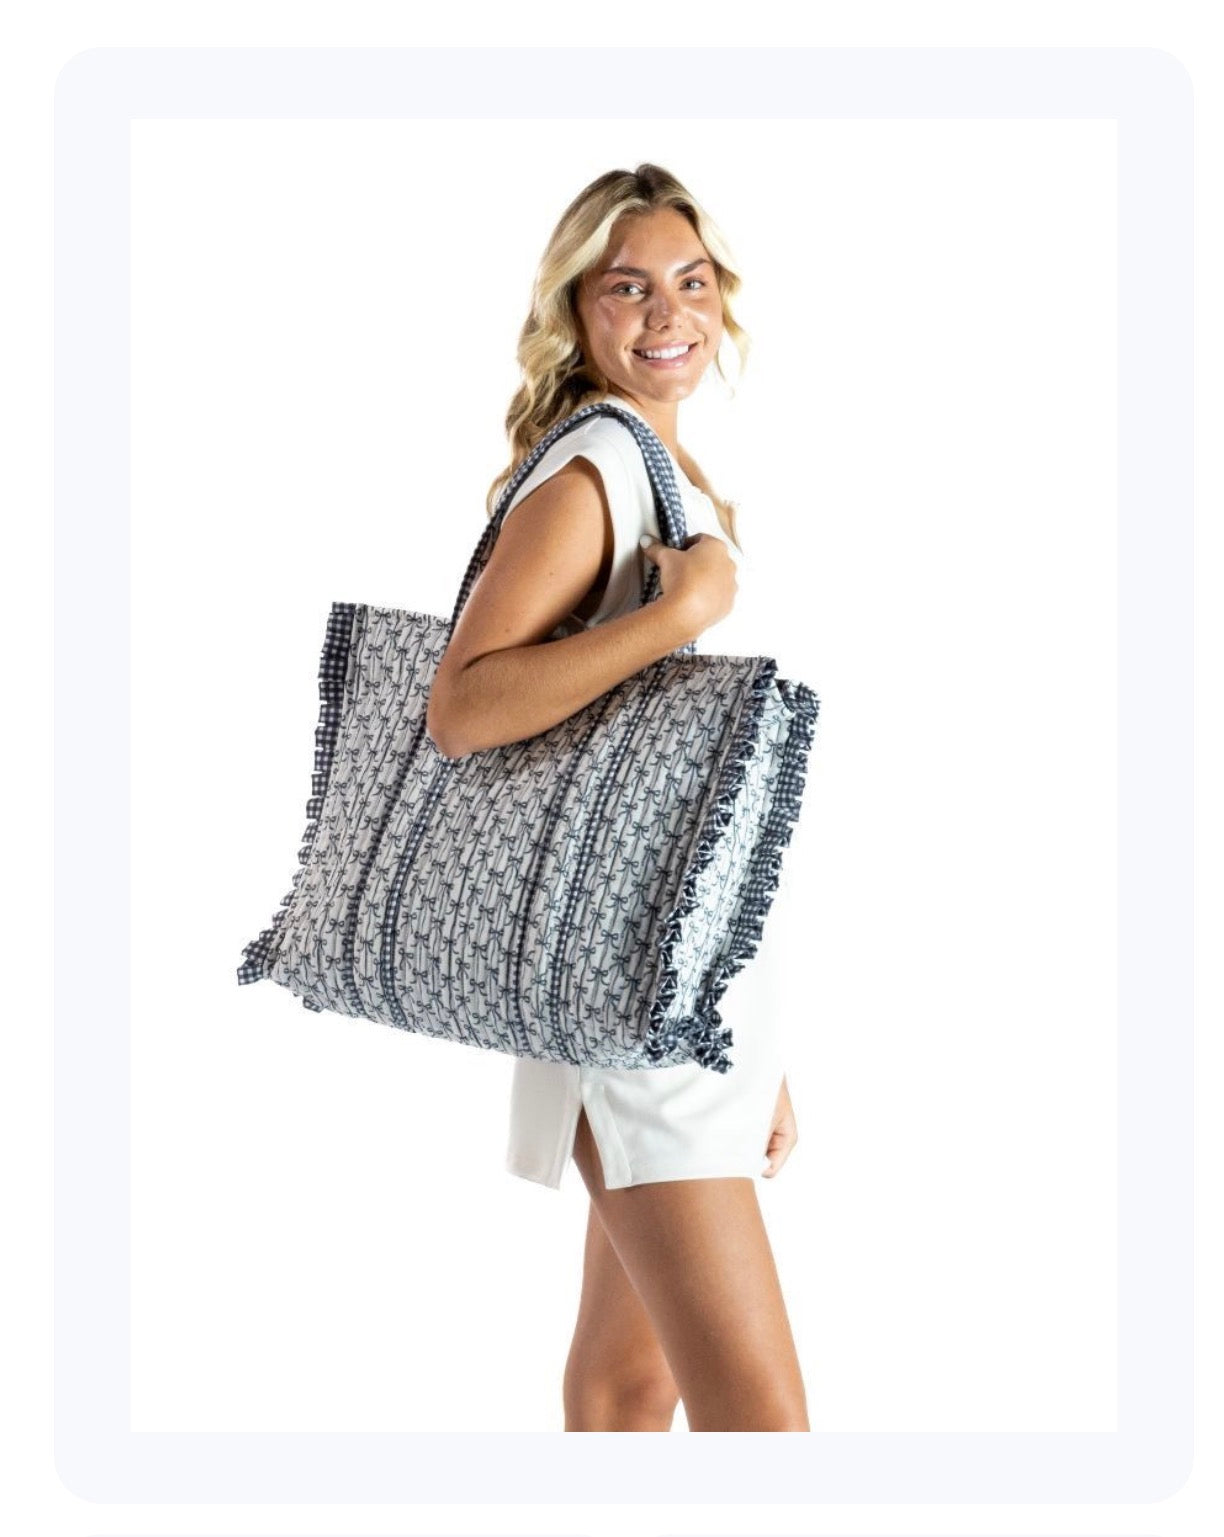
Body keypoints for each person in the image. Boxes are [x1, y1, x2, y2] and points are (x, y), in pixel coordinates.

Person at [426, 163, 808, 1433]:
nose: (668, 313)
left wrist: (744, 1034)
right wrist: (680, 615)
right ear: (575, 307)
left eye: (690, 282)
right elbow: (462, 705)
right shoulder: (596, 468)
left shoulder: (656, 463)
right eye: (629, 287)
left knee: (626, 1383)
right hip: (629, 1001)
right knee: (764, 1423)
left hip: (664, 983)